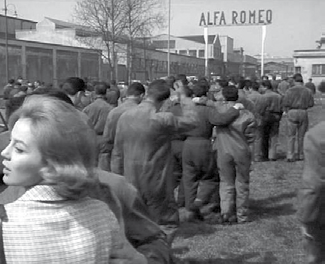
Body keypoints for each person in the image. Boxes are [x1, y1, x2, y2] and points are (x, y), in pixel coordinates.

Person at [0, 89, 176, 264]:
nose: (4, 153)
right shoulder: (8, 199)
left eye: (19, 147)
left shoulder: (114, 189)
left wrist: (137, 259)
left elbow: (156, 241)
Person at [0, 96, 122, 263]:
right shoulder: (102, 213)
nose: (5, 152)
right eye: (9, 142)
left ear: (54, 164)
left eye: (19, 149)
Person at [112, 79, 198, 226]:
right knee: (165, 220)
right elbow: (193, 121)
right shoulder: (162, 119)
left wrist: (118, 178)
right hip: (156, 177)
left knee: (136, 220)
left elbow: (117, 153)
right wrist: (184, 97)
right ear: (164, 101)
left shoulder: (124, 117)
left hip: (130, 176)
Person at [182, 82, 242, 221]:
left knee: (189, 179)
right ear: (205, 94)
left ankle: (190, 210)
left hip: (187, 144)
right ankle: (204, 203)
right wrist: (235, 109)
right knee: (211, 178)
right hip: (203, 144)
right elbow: (221, 120)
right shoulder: (207, 110)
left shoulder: (184, 109)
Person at [214, 85, 256, 224]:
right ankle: (242, 214)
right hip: (242, 150)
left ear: (224, 97)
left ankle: (226, 213)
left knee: (226, 182)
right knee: (242, 183)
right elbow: (251, 137)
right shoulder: (247, 115)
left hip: (223, 150)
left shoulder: (219, 112)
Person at [297, 121, 325, 264]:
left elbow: (314, 183)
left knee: (315, 255)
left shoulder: (317, 135)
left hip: (320, 209)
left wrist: (306, 217)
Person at [101, 82, 146, 172]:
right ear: (142, 95)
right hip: (137, 161)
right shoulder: (143, 113)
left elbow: (107, 140)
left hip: (116, 160)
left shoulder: (113, 112)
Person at [282, 73, 315, 162]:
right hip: (303, 111)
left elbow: (285, 102)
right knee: (302, 135)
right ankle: (301, 154)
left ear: (294, 80)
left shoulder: (289, 91)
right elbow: (311, 104)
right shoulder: (308, 91)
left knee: (291, 135)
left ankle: (290, 154)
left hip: (292, 111)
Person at [258, 80, 283, 161]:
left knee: (264, 136)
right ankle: (272, 155)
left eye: (261, 87)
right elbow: (282, 107)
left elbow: (261, 108)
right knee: (274, 135)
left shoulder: (264, 96)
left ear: (265, 87)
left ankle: (264, 154)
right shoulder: (278, 96)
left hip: (266, 115)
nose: (260, 89)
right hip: (276, 115)